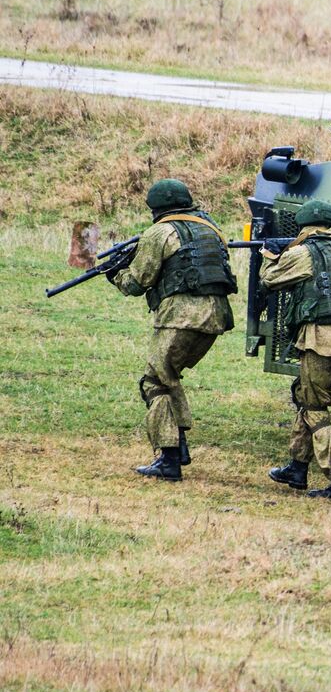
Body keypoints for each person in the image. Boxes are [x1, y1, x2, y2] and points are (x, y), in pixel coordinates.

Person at [110, 178, 236, 481]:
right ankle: (178, 447)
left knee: (154, 382)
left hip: (181, 317)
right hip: (216, 317)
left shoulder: (159, 232)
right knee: (169, 377)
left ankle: (167, 460)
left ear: (156, 209)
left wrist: (116, 272)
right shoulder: (211, 229)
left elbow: (136, 283)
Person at [261, 201, 331, 502]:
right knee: (307, 395)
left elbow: (269, 280)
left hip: (320, 340)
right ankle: (297, 468)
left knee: (315, 408)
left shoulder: (304, 253)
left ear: (307, 227)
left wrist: (269, 256)